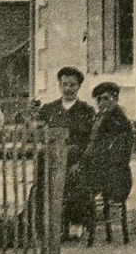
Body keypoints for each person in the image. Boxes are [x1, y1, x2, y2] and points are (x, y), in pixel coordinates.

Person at [39, 66, 96, 236]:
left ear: (78, 87)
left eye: (72, 85)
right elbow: (40, 134)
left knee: (76, 183)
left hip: (75, 161)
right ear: (59, 85)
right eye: (65, 84)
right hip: (52, 160)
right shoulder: (48, 109)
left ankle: (76, 222)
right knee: (42, 184)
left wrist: (80, 162)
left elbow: (90, 141)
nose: (68, 88)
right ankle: (44, 223)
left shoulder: (86, 110)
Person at [87, 81, 135, 238]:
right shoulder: (101, 117)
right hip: (104, 171)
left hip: (115, 175)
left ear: (116, 98)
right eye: (99, 100)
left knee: (76, 186)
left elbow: (115, 153)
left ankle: (76, 229)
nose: (101, 103)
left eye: (106, 99)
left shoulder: (119, 121)